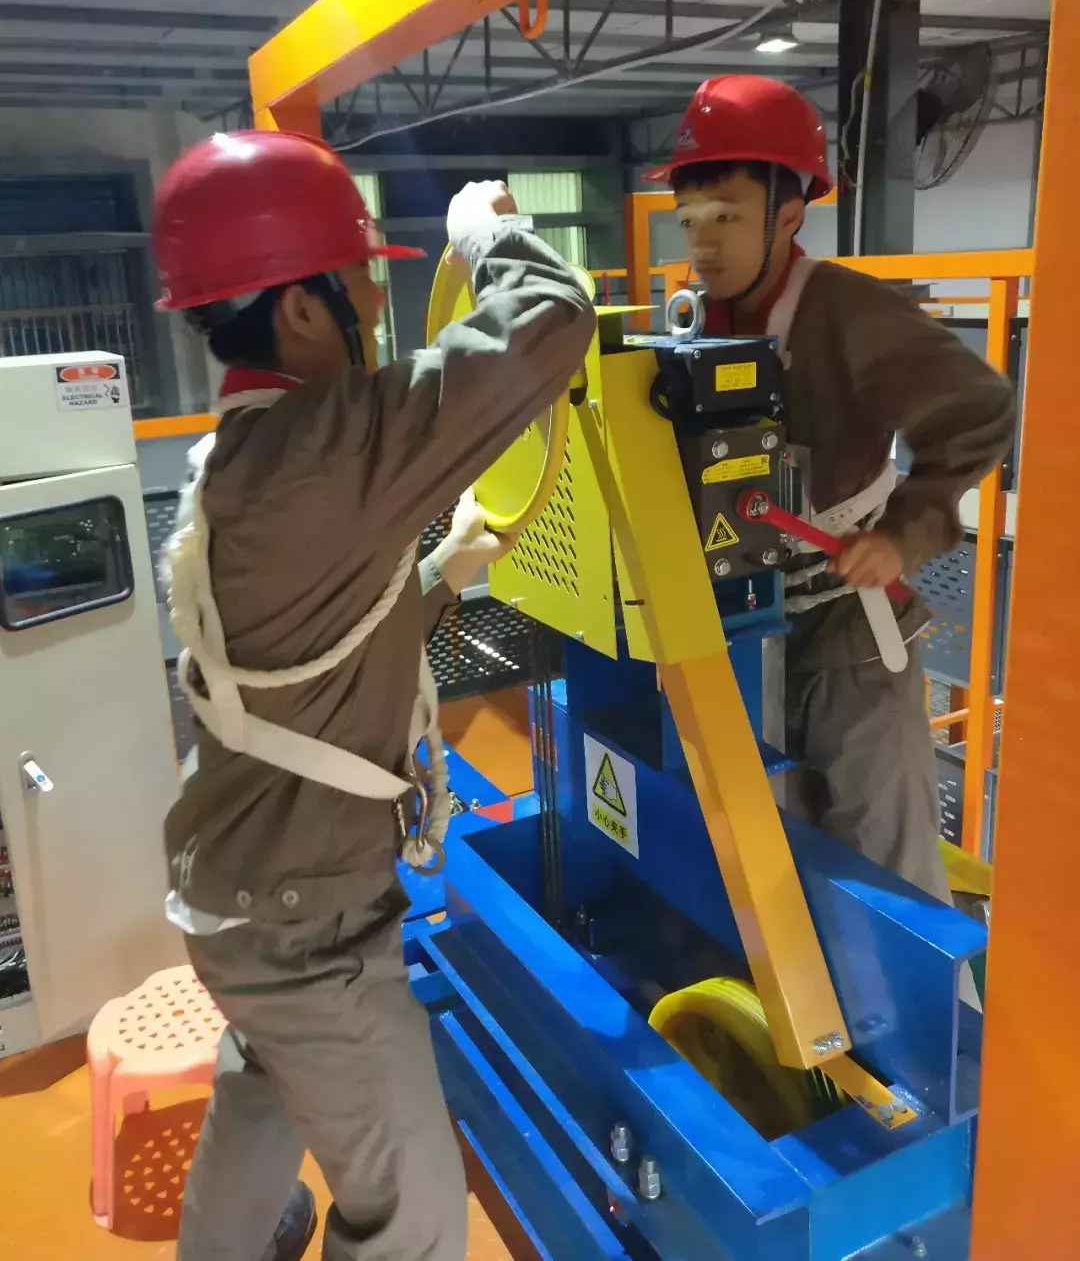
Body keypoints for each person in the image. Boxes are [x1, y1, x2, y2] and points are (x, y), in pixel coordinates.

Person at [152, 129, 595, 1261]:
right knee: (415, 1226)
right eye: (361, 281)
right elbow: (552, 321)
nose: (378, 306)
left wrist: (441, 570)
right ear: (303, 307)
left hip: (239, 897)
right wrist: (489, 235)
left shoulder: (242, 454)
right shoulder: (331, 442)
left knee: (263, 1084)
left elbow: (311, 647)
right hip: (312, 934)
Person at [648, 75, 1016, 901]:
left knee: (883, 862)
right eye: (690, 219)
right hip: (740, 629)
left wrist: (903, 533)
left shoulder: (845, 311)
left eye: (728, 216)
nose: (704, 242)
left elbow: (982, 408)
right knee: (769, 844)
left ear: (789, 213)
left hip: (848, 630)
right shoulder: (696, 322)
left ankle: (915, 985)